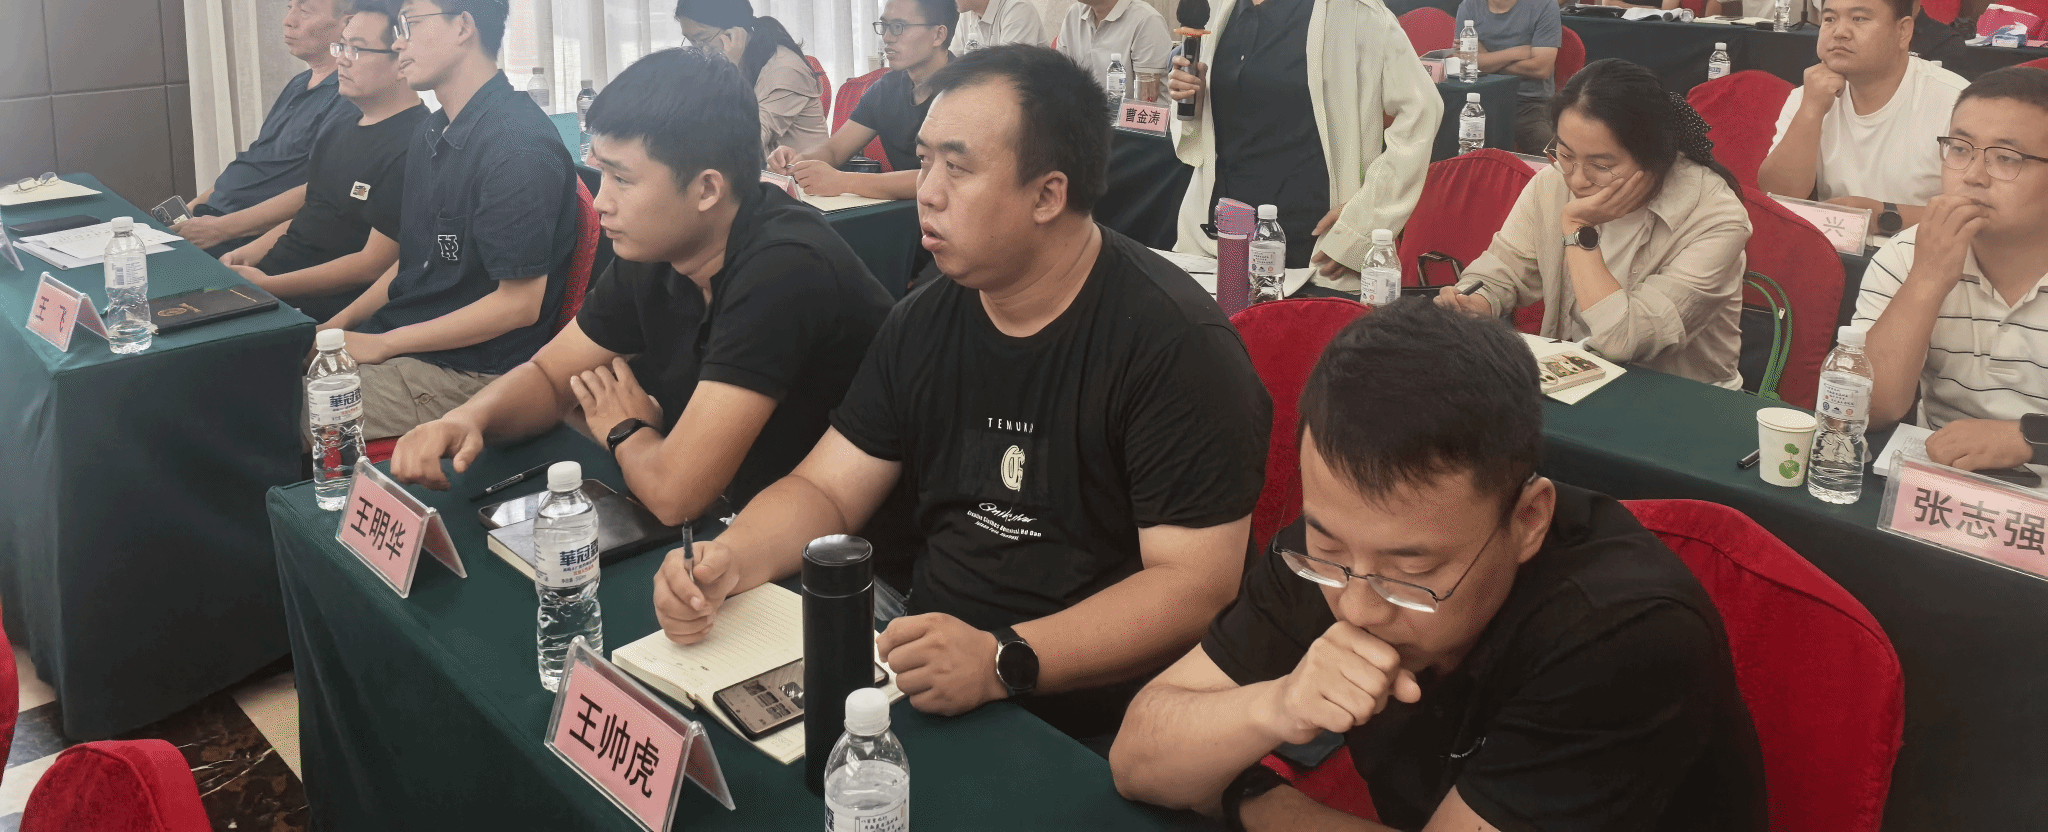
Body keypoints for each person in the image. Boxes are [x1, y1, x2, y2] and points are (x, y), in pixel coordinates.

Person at [653, 46, 1271, 744]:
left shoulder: (1175, 345)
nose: (927, 191)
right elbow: (827, 489)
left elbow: (1192, 586)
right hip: (924, 659)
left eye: (959, 167)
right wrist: (730, 559)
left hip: (1089, 717)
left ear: (1048, 195)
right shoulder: (924, 318)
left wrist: (1002, 659)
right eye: (924, 162)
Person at [1109, 299, 1765, 832]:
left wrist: (1254, 801)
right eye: (1329, 547)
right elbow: (1136, 760)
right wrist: (1276, 706)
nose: (1359, 606)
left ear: (1528, 519)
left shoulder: (1623, 634)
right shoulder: (1333, 555)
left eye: (1411, 571)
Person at [389, 47, 894, 527]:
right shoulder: (661, 245)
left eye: (622, 180)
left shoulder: (784, 268)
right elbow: (549, 377)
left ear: (707, 188)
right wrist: (468, 418)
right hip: (735, 511)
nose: (600, 201)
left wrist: (625, 429)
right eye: (601, 173)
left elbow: (676, 495)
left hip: (841, 551)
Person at [326, 0, 581, 437]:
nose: (398, 43)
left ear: (463, 27)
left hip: (470, 373)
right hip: (408, 344)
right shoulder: (433, 129)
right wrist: (333, 331)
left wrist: (385, 344)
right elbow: (413, 264)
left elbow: (519, 306)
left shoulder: (516, 146)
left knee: (278, 414)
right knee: (258, 378)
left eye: (410, 25)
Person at [1171, 0, 1441, 284]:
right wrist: (1194, 96)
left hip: (1310, 247)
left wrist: (1365, 221)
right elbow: (1202, 132)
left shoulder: (1352, 8)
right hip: (1217, 235)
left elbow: (1422, 111)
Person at [1439, 59, 1751, 387]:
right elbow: (1502, 270)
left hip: (1679, 398)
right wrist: (1475, 301)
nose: (1576, 180)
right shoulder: (1552, 183)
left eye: (1601, 166)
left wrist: (1577, 229)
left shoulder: (1716, 219)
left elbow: (1622, 340)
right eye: (1565, 154)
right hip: (1577, 383)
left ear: (1655, 157)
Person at [1857, 68, 2048, 474]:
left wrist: (2029, 438)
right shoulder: (1909, 254)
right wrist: (1928, 279)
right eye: (1960, 149)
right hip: (1940, 485)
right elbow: (1870, 409)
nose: (1973, 176)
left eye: (2006, 158)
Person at [221, 0, 427, 321]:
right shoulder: (340, 124)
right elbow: (314, 213)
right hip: (272, 282)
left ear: (403, 60)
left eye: (356, 49)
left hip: (320, 308)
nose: (341, 59)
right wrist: (246, 255)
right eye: (341, 46)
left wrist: (270, 285)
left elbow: (373, 264)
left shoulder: (417, 143)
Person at [1759, 0, 1966, 235]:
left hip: (1924, 251)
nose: (1839, 32)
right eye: (1829, 19)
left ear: (1903, 31)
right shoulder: (1808, 96)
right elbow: (1778, 196)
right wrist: (1811, 110)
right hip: (1832, 251)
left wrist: (1881, 216)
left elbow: (1979, 213)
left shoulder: (1957, 104)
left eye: (1859, 18)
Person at [175, 0, 376, 250]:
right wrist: (194, 206)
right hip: (214, 220)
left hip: (246, 237)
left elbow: (320, 191)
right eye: (289, 7)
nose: (288, 21)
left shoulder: (350, 95)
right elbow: (259, 159)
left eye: (304, 11)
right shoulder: (299, 82)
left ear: (349, 24)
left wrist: (221, 229)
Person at [770, 0, 955, 203]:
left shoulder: (965, 91)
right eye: (884, 26)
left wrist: (844, 181)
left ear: (938, 35)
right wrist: (798, 162)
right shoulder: (886, 88)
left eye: (898, 27)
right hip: (907, 212)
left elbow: (940, 176)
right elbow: (835, 150)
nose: (887, 37)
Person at [673, 0, 828, 159]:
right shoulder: (729, 63)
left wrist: (730, 74)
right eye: (691, 41)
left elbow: (742, 143)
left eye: (702, 39)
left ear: (734, 31)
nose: (699, 50)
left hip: (799, 176)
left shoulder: (784, 69)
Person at [1455, 0, 1561, 153]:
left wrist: (1485, 60)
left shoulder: (1544, 6)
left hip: (1529, 104)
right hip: (1479, 98)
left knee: (1549, 151)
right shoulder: (1468, 6)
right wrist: (1517, 52)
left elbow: (1541, 68)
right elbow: (1468, 64)